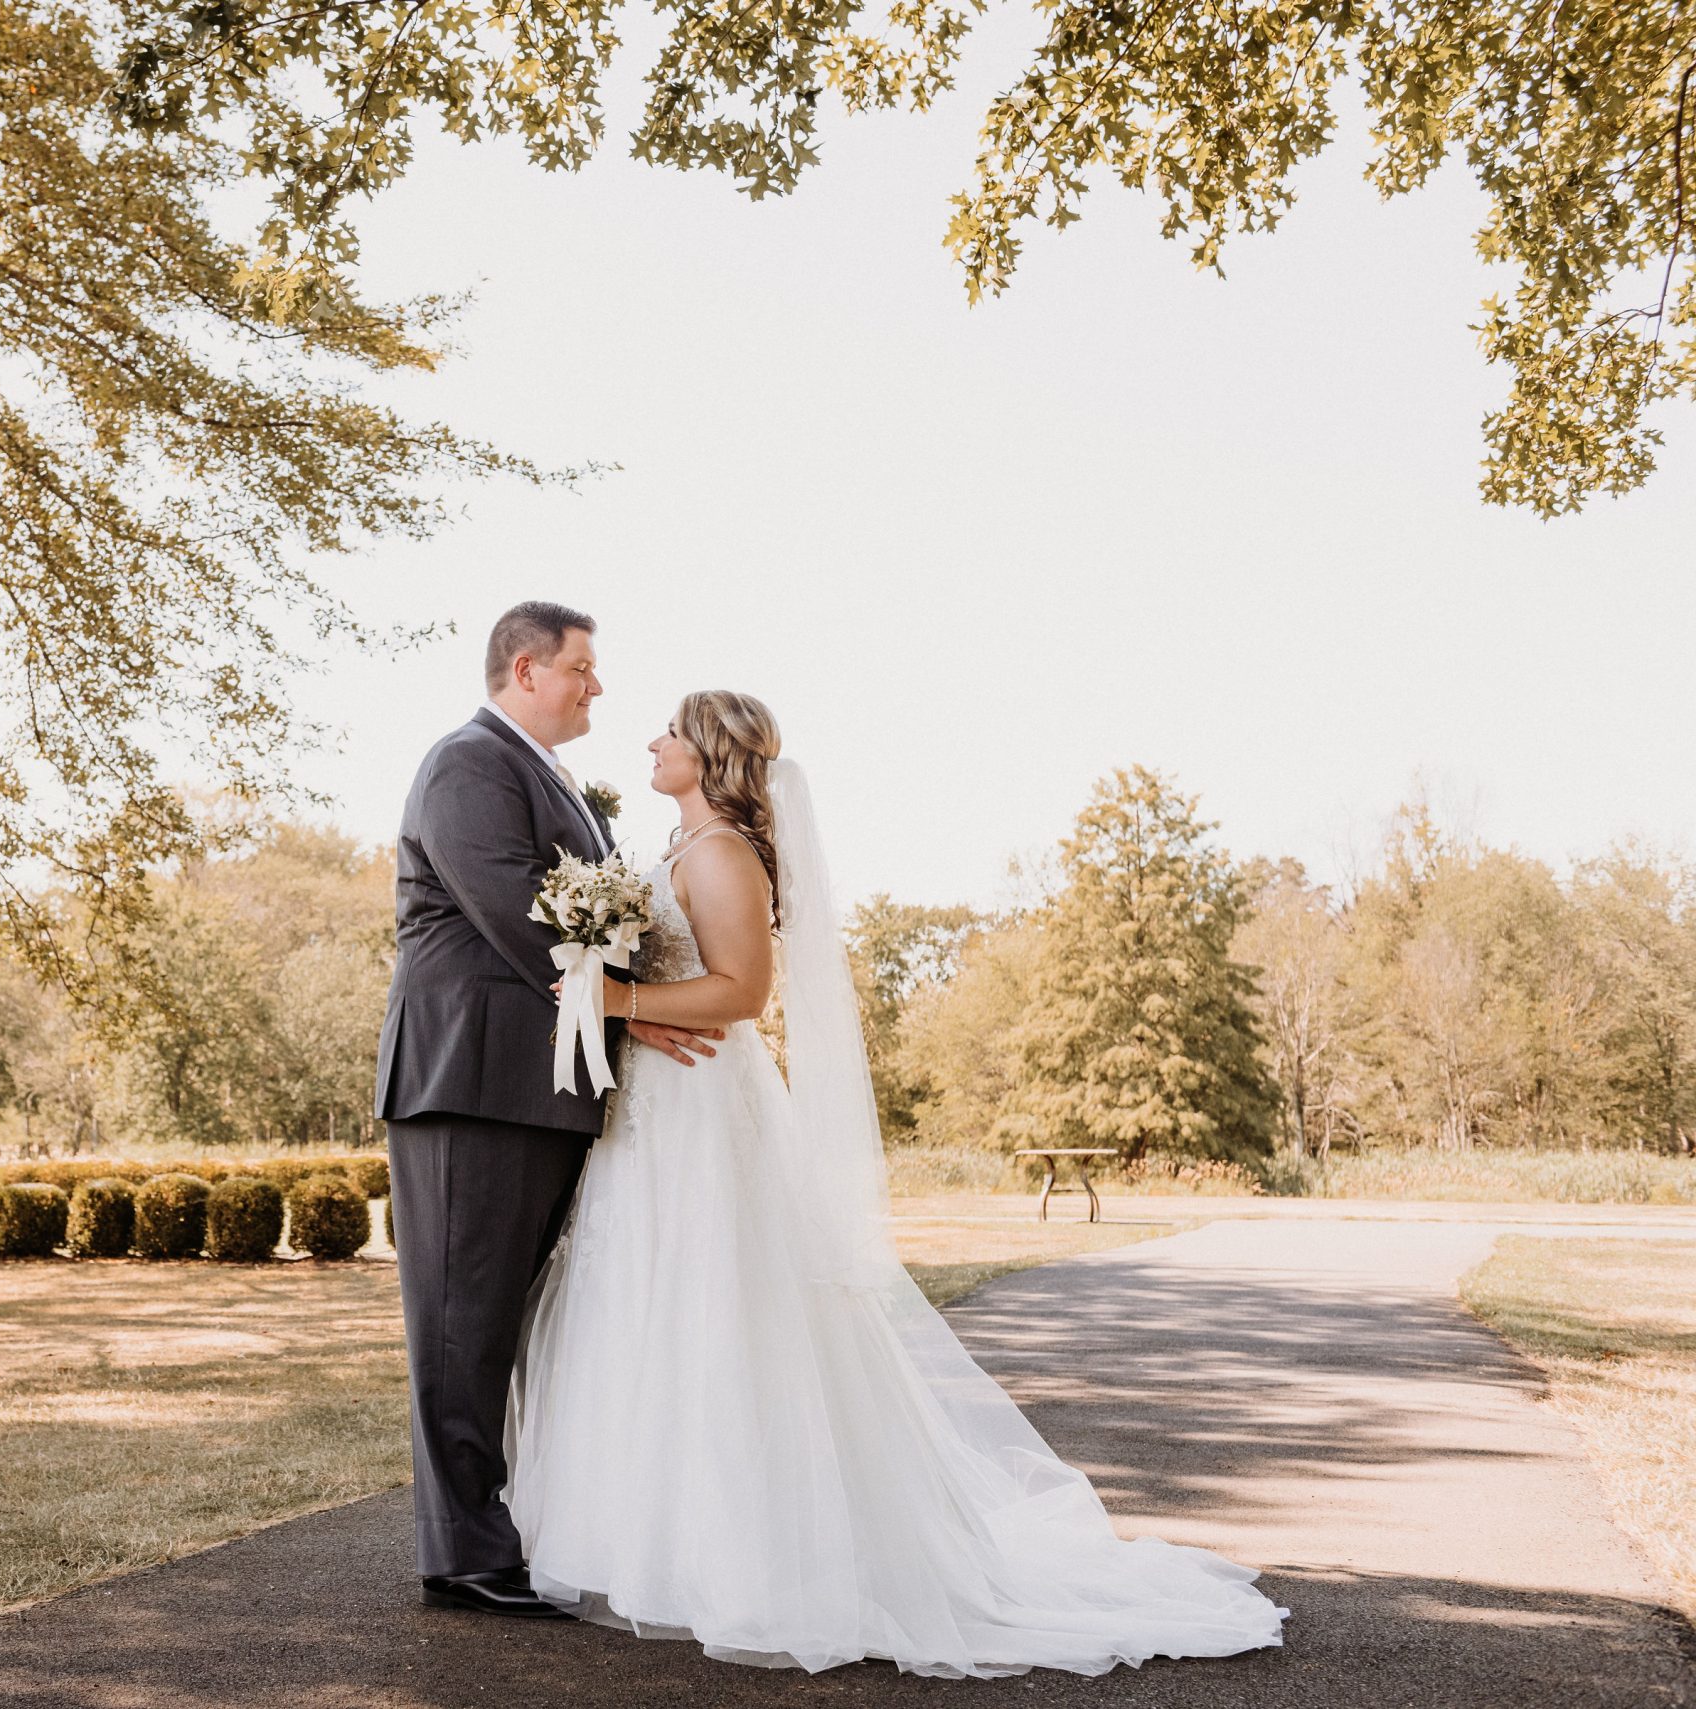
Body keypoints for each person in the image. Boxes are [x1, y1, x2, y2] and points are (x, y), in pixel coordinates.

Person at [506, 689, 1291, 1677]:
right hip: (652, 1110)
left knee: (716, 1305)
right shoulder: (671, 852)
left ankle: (750, 1552)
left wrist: (608, 993)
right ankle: (652, 1537)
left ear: (706, 753)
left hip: (705, 1113)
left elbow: (742, 992)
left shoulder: (720, 855)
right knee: (643, 1300)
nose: (652, 740)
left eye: (669, 728)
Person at [374, 601, 722, 1618]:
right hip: (471, 1082)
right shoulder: (467, 763)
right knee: (459, 1324)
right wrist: (629, 1007)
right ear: (525, 667)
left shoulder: (553, 778)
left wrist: (626, 1003)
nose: (596, 688)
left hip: (540, 1086)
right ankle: (465, 1555)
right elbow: (521, 916)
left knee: (507, 1322)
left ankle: (504, 1528)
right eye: (581, 668)